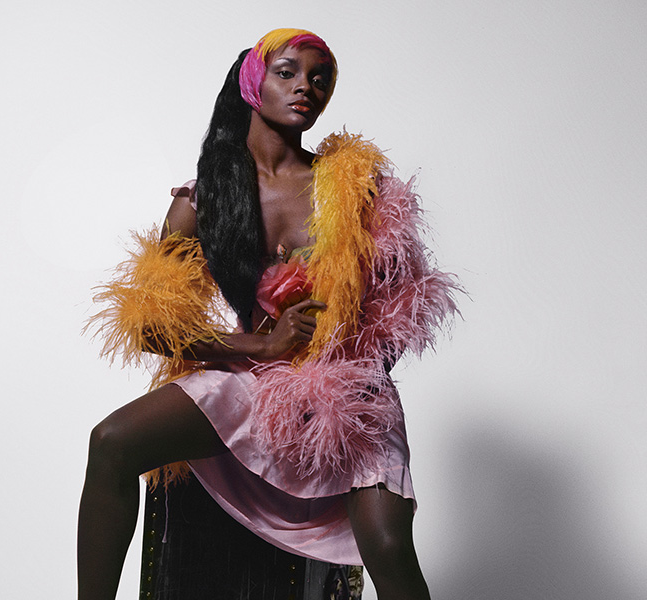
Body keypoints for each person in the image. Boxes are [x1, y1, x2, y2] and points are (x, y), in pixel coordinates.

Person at [79, 28, 458, 600]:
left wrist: (345, 361)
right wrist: (263, 348)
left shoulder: (355, 189)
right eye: (288, 72)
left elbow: (403, 302)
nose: (305, 86)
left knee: (386, 543)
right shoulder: (204, 201)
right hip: (258, 379)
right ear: (254, 82)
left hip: (350, 389)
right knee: (111, 442)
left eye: (319, 79)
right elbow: (152, 324)